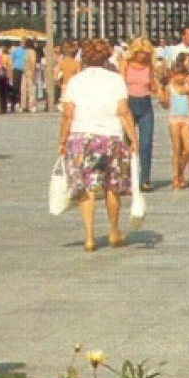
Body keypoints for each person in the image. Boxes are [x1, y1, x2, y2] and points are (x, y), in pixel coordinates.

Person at [56, 38, 139, 251]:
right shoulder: (116, 80)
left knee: (87, 188)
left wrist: (62, 140)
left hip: (81, 137)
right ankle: (113, 231)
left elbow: (68, 114)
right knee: (113, 186)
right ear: (106, 57)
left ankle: (90, 237)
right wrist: (133, 137)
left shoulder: (76, 81)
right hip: (111, 137)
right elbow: (123, 111)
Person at [121, 37, 160, 190]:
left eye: (145, 53)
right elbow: (120, 83)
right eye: (140, 53)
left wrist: (159, 89)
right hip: (129, 102)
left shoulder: (149, 66)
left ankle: (145, 179)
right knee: (127, 142)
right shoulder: (126, 64)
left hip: (145, 103)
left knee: (146, 142)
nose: (142, 56)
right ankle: (126, 178)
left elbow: (152, 86)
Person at [161, 53, 189, 190]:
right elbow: (165, 104)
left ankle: (180, 171)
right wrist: (162, 95)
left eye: (183, 75)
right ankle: (176, 177)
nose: (181, 78)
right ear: (173, 75)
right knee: (177, 149)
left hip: (186, 119)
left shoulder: (187, 86)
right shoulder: (169, 87)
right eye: (178, 75)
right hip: (174, 119)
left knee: (188, 149)